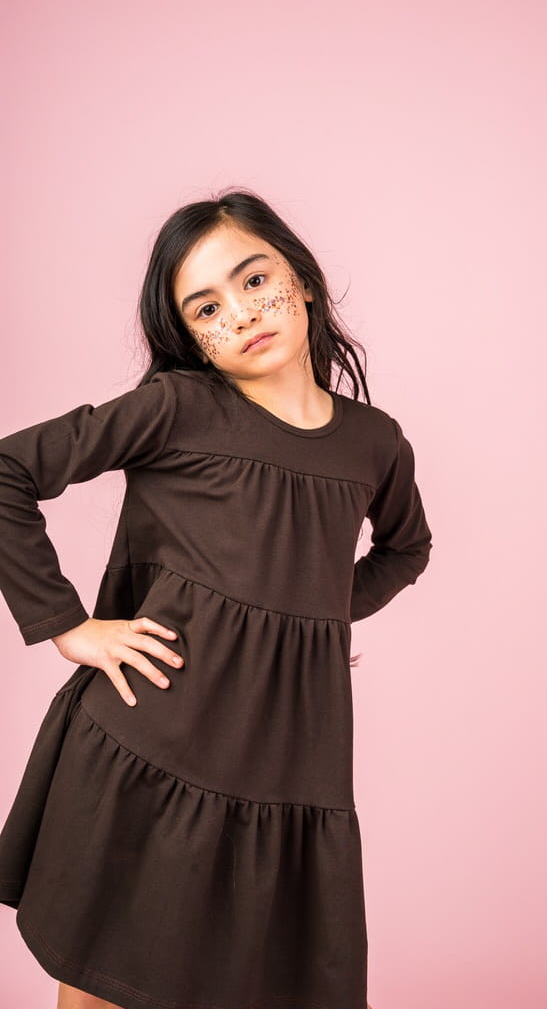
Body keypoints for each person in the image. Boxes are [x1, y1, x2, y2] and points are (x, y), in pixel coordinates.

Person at [0, 188, 433, 1009]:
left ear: (302, 279)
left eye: (254, 280)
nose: (240, 313)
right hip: (145, 747)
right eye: (206, 307)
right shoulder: (178, 410)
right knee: (100, 987)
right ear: (190, 337)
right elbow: (7, 472)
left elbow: (407, 548)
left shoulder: (374, 443)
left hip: (285, 772)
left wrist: (311, 613)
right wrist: (67, 626)